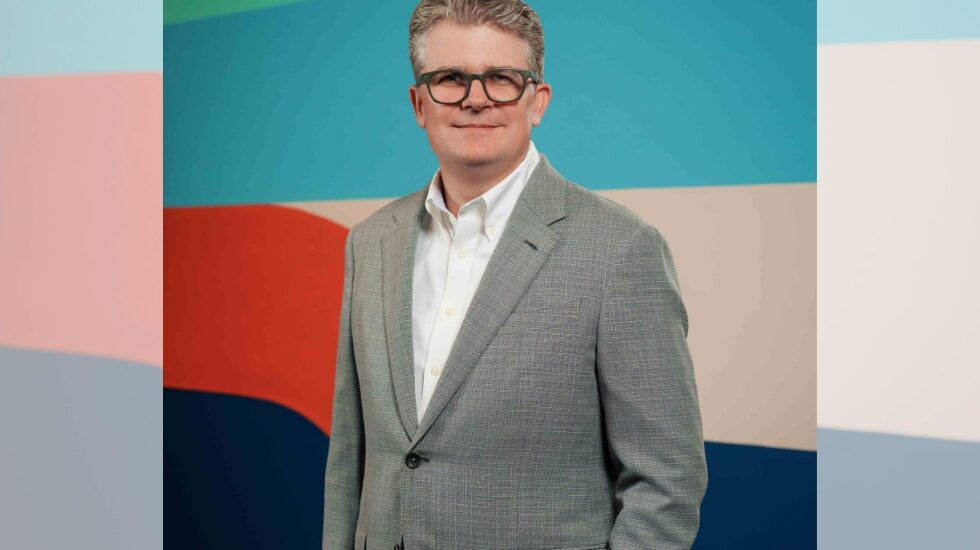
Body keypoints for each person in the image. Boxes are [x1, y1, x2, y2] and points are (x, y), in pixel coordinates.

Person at [322, 1, 707, 548]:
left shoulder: (621, 249)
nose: (475, 98)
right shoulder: (371, 242)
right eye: (450, 78)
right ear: (418, 103)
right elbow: (350, 458)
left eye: (501, 78)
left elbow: (668, 483)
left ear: (537, 100)